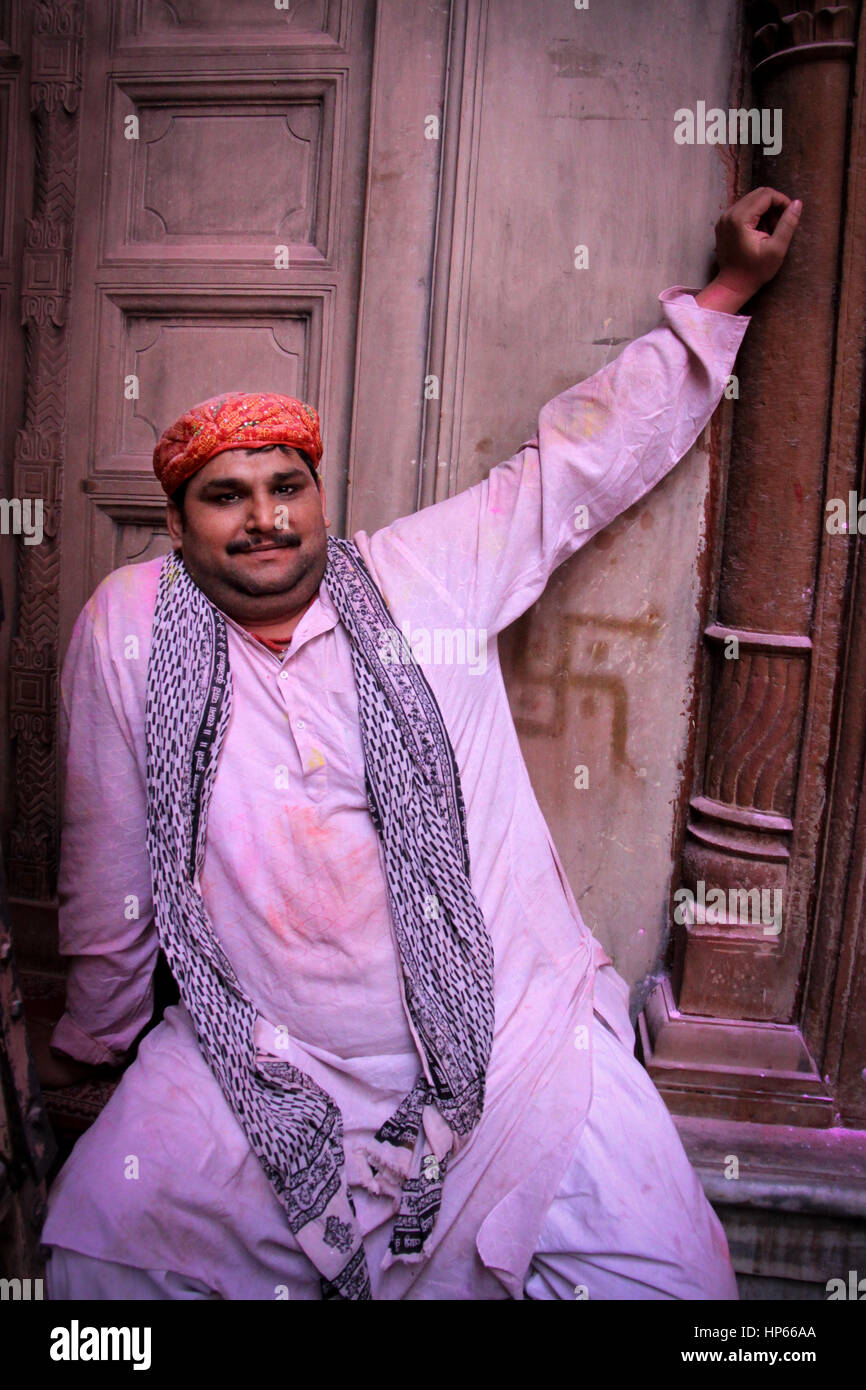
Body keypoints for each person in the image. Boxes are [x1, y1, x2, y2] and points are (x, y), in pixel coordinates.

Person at [39, 188, 801, 1300]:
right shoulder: (131, 624)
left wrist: (726, 292)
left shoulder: (420, 574)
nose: (263, 516)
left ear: (319, 496)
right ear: (177, 521)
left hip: (508, 1038)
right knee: (96, 1263)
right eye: (224, 495)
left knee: (674, 1281)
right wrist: (98, 1032)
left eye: (285, 485)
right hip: (260, 1060)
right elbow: (104, 848)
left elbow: (571, 468)